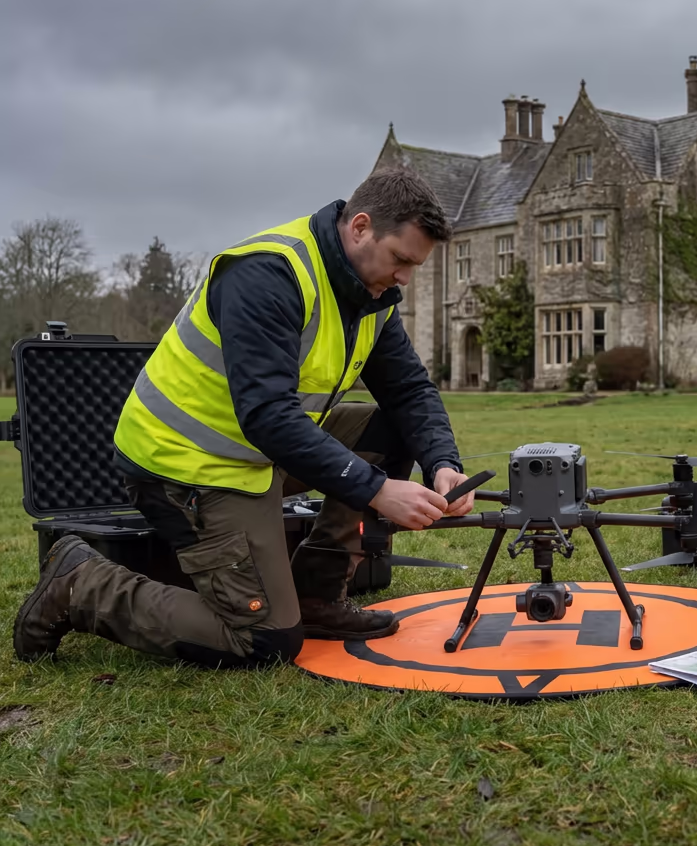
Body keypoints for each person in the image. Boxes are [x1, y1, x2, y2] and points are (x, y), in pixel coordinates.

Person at [14, 166, 475, 668]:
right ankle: (81, 582)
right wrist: (378, 490)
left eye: (415, 266)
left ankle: (318, 595)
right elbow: (267, 416)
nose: (405, 278)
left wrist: (442, 462)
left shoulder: (373, 294)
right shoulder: (266, 272)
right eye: (401, 260)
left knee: (391, 428)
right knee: (262, 640)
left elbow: (408, 390)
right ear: (360, 227)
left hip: (259, 454)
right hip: (184, 466)